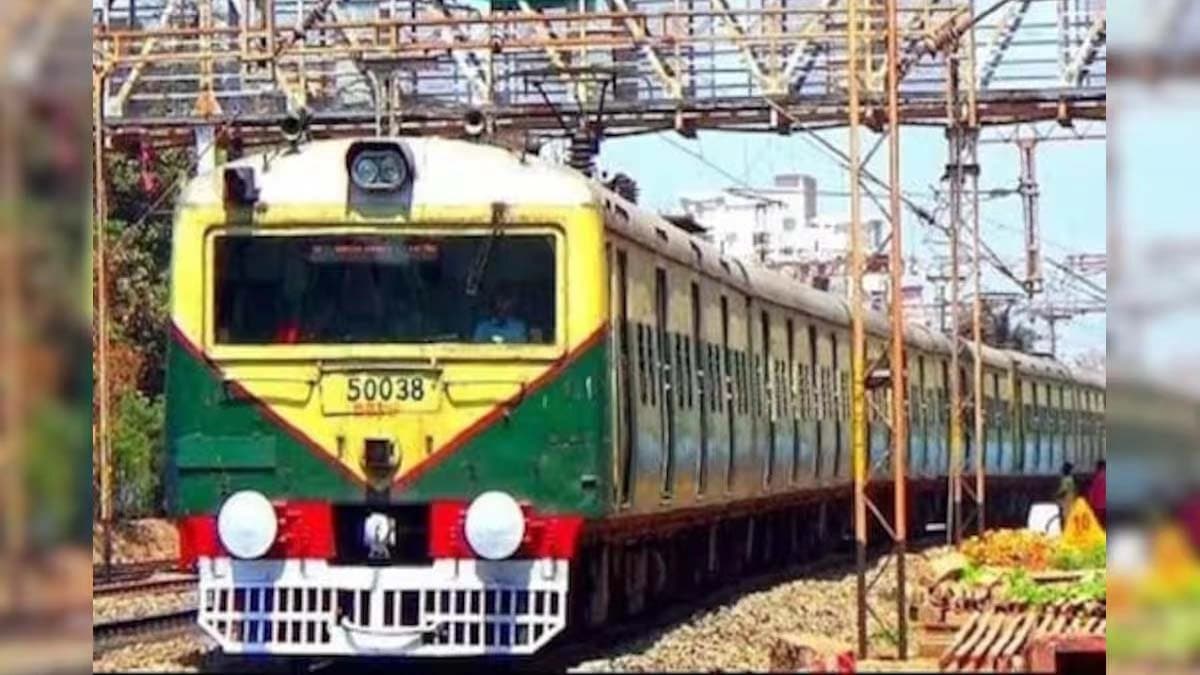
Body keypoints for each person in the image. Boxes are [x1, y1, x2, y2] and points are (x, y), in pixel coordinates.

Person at [1055, 461, 1077, 526]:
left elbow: (1064, 491)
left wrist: (1057, 495)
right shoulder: (1071, 478)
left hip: (1067, 500)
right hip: (1070, 499)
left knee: (1066, 516)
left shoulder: (1066, 479)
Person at [1087, 459, 1106, 528]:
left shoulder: (1096, 477)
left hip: (1098, 505)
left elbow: (1092, 491)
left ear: (1099, 467)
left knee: (1097, 523)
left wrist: (1090, 502)